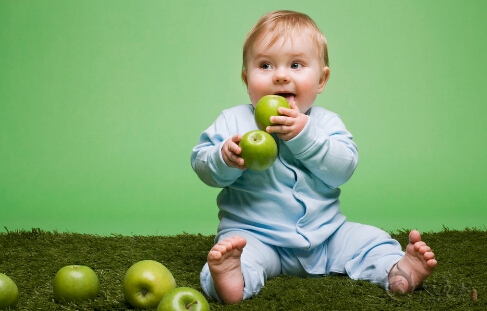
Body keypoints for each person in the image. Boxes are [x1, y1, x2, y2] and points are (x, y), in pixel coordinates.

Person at [190, 10, 437, 304]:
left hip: (327, 236)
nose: (281, 75)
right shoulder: (233, 122)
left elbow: (343, 168)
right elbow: (201, 164)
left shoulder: (325, 123)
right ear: (246, 78)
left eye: (296, 64)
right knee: (239, 255)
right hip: (255, 236)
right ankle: (231, 280)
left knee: (371, 240)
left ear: (321, 79)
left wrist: (304, 135)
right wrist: (224, 158)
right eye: (265, 65)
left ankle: (397, 270)